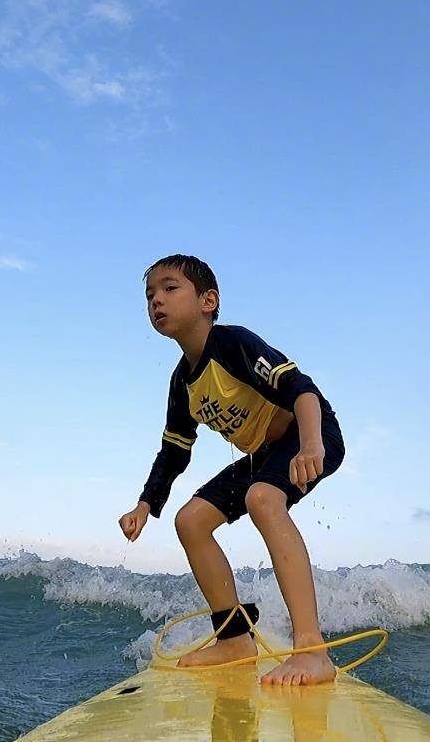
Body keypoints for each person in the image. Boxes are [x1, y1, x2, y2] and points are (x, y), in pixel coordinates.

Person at [118, 254, 346, 686]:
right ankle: (235, 639)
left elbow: (302, 390)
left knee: (263, 498)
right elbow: (173, 451)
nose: (156, 302)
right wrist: (145, 505)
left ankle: (313, 650)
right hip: (265, 455)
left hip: (311, 432)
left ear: (208, 300)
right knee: (191, 521)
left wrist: (312, 443)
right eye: (149, 295)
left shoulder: (232, 344)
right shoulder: (182, 382)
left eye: (169, 289)